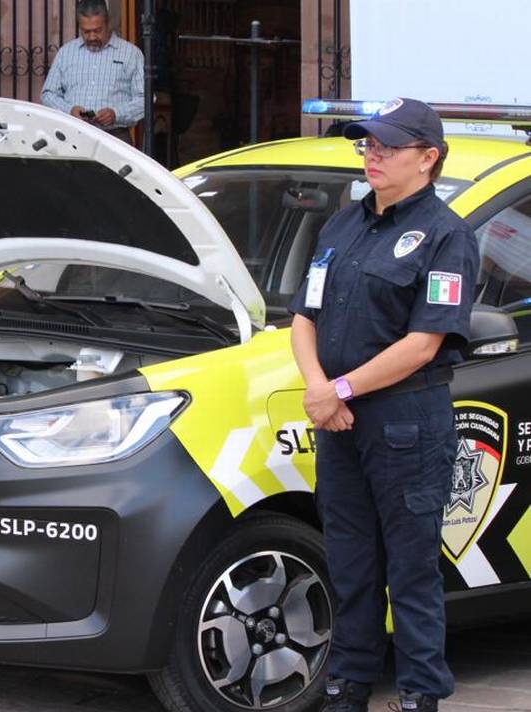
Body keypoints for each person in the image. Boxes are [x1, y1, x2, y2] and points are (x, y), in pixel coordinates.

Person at [288, 98, 479, 712]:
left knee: (411, 572)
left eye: (388, 146)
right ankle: (348, 686)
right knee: (350, 566)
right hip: (339, 421)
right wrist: (321, 390)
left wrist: (338, 391)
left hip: (405, 423)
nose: (373, 154)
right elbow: (302, 317)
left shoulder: (448, 236)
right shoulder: (343, 224)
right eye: (367, 144)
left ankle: (421, 695)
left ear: (428, 158)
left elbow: (422, 345)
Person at [40, 0, 144, 145]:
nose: (92, 37)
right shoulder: (66, 53)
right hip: (71, 136)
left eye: (97, 30)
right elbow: (48, 94)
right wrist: (69, 110)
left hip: (115, 139)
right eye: (86, 31)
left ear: (108, 24)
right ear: (79, 27)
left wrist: (116, 114)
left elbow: (145, 99)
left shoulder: (131, 53)